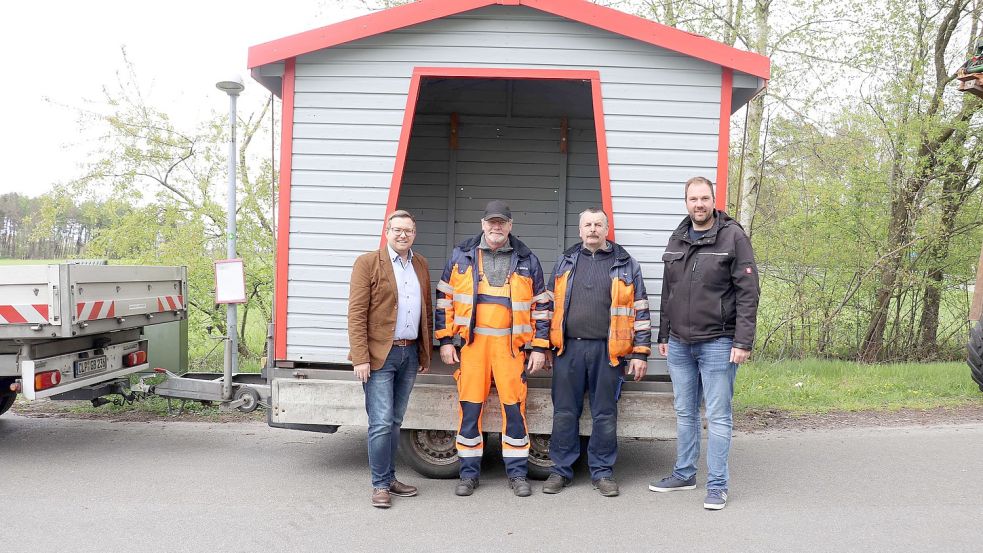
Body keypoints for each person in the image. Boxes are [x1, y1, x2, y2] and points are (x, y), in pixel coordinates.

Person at [649, 176, 760, 510]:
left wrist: (743, 341)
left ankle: (717, 486)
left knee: (718, 415)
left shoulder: (733, 237)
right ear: (686, 202)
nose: (699, 204)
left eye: (704, 198)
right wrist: (664, 333)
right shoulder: (678, 237)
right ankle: (684, 474)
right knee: (685, 412)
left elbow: (749, 292)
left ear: (714, 200)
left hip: (719, 343)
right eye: (693, 199)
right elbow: (669, 291)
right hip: (680, 344)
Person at [434, 200, 550, 498]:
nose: (496, 227)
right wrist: (446, 340)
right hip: (472, 347)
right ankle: (469, 474)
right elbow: (444, 300)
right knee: (470, 410)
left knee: (515, 410)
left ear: (510, 226)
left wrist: (539, 347)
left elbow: (541, 308)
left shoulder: (527, 259)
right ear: (483, 224)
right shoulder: (463, 255)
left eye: (502, 222)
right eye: (491, 222)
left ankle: (517, 474)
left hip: (512, 349)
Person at [543, 208, 651, 498]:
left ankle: (602, 472)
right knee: (565, 412)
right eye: (587, 224)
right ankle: (560, 470)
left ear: (606, 230)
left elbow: (640, 309)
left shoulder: (626, 265)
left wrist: (640, 353)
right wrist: (543, 345)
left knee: (605, 414)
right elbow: (546, 306)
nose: (592, 229)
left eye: (598, 224)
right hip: (569, 349)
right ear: (580, 231)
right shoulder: (566, 262)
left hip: (609, 351)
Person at [348, 209, 433, 509]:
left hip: (409, 354)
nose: (402, 235)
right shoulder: (368, 263)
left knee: (395, 421)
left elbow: (427, 310)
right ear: (387, 232)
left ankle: (391, 477)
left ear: (414, 233)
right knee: (381, 422)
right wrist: (360, 357)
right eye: (397, 230)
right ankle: (380, 485)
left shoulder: (420, 264)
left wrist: (424, 352)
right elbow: (356, 314)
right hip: (378, 356)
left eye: (408, 230)